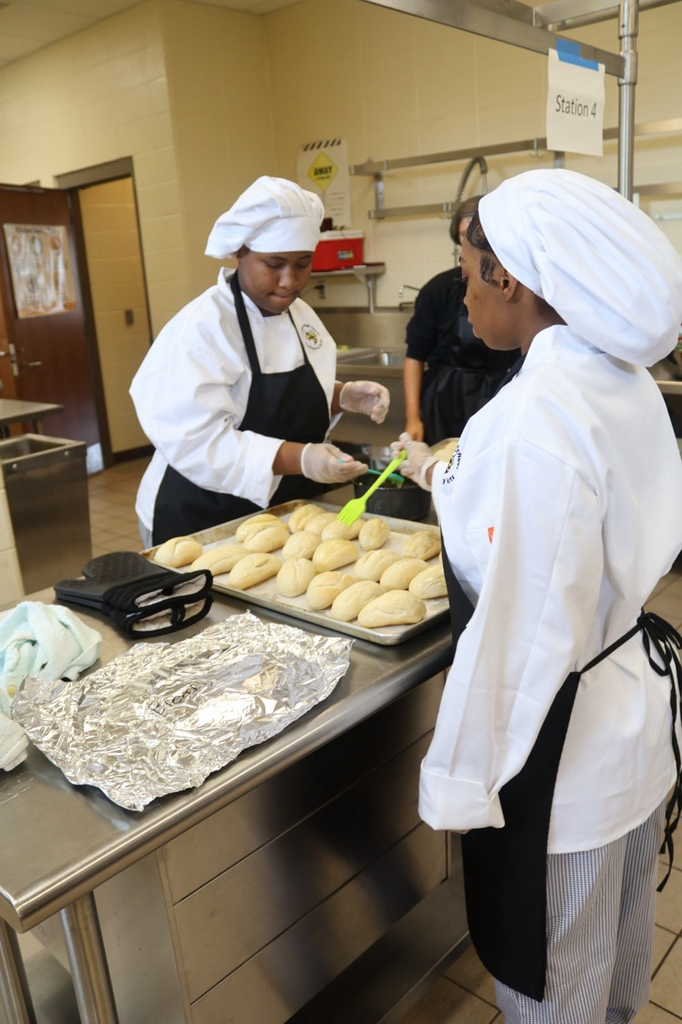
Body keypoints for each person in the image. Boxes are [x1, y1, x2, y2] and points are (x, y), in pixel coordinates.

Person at [390, 168, 682, 1022]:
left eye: (464, 265)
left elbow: (519, 639)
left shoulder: (535, 420)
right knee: (617, 978)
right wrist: (445, 472)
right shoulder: (619, 384)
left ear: (506, 275)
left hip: (562, 759)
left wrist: (459, 783)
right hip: (632, 722)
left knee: (555, 993)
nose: (461, 295)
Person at [130, 176, 390, 546]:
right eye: (274, 264)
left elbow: (272, 393)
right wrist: (300, 458)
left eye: (303, 264)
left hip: (281, 509)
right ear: (241, 251)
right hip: (201, 513)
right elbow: (199, 441)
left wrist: (341, 395)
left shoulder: (300, 315)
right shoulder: (204, 328)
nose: (289, 281)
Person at [402, 195, 519, 444]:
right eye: (465, 235)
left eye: (478, 234)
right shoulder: (437, 289)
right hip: (444, 404)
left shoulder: (511, 286)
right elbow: (415, 355)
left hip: (497, 397)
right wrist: (413, 417)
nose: (471, 241)